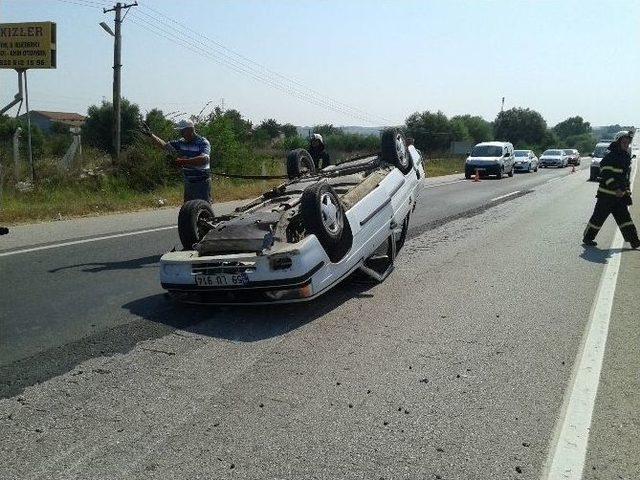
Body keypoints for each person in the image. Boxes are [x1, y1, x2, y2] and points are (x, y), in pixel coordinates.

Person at [582, 130, 639, 248]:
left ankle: (634, 241)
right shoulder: (611, 156)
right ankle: (587, 238)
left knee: (625, 219)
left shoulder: (626, 156)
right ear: (618, 142)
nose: (626, 144)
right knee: (598, 218)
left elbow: (625, 178)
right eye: (624, 142)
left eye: (628, 142)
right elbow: (606, 174)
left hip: (620, 196)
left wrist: (626, 192)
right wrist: (616, 188)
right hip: (606, 196)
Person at [143, 119, 212, 203]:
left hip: (202, 183)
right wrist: (151, 135)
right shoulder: (181, 142)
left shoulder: (203, 142)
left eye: (183, 131)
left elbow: (204, 160)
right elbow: (165, 146)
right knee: (189, 210)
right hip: (189, 182)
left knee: (204, 208)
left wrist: (183, 161)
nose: (181, 133)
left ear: (190, 130)